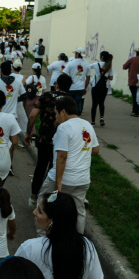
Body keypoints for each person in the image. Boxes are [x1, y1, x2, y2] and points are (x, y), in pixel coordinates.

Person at [37, 96, 99, 234]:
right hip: (82, 179)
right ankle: (77, 240)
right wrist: (80, 152)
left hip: (63, 179)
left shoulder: (64, 128)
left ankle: (43, 239)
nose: (56, 117)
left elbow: (62, 156)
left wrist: (58, 183)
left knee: (44, 204)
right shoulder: (87, 125)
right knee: (78, 209)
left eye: (56, 113)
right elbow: (95, 150)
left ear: (63, 112)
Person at [25, 74, 72, 206]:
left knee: (40, 166)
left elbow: (33, 115)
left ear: (57, 84)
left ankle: (34, 197)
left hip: (44, 138)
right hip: (61, 141)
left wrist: (29, 133)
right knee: (55, 168)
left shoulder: (46, 96)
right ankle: (51, 200)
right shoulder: (70, 100)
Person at [88, 51, 114, 126]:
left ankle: (93, 121)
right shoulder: (109, 66)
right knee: (101, 103)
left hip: (95, 86)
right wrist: (105, 75)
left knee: (94, 104)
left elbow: (88, 67)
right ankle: (101, 118)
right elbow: (111, 78)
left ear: (102, 57)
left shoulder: (96, 64)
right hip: (104, 87)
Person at [122, 46, 139, 117]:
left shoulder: (132, 59)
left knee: (135, 96)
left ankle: (135, 111)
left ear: (136, 53)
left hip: (133, 81)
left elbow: (124, 67)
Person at [24, 63, 47, 135]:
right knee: (40, 116)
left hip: (31, 98)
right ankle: (41, 131)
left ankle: (33, 132)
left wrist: (24, 78)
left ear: (33, 69)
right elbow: (43, 90)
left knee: (31, 116)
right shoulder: (43, 78)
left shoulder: (31, 77)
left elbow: (25, 83)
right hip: (39, 99)